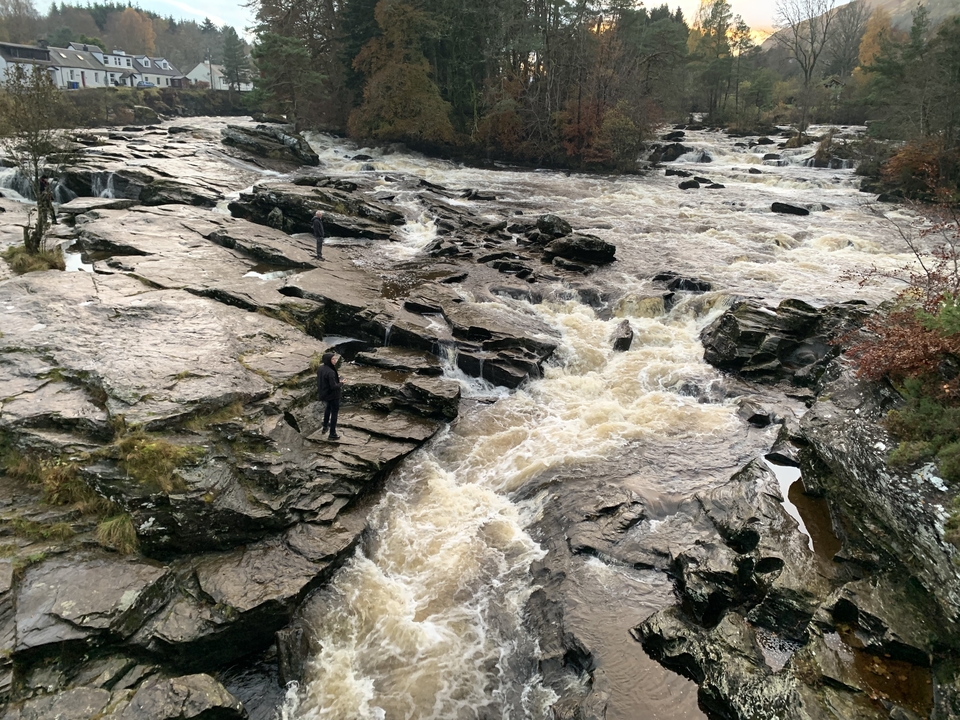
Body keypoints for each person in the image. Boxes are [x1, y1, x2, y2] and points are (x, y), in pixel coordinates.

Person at [316, 351, 342, 440]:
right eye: (333, 359)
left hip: (324, 393)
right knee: (334, 413)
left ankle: (325, 426)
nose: (335, 360)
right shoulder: (331, 372)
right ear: (328, 360)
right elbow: (333, 386)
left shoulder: (321, 369)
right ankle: (332, 434)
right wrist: (341, 383)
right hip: (333, 395)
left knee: (328, 408)